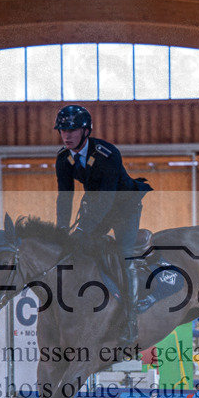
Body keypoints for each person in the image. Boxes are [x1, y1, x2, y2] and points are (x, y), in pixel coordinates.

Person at [53, 104, 151, 346]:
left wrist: (84, 229)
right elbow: (65, 197)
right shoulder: (63, 159)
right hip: (99, 207)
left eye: (72, 130)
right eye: (62, 131)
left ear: (86, 131)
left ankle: (130, 318)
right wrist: (62, 231)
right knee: (79, 249)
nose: (66, 135)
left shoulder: (108, 153)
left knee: (125, 254)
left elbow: (107, 198)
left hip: (124, 207)